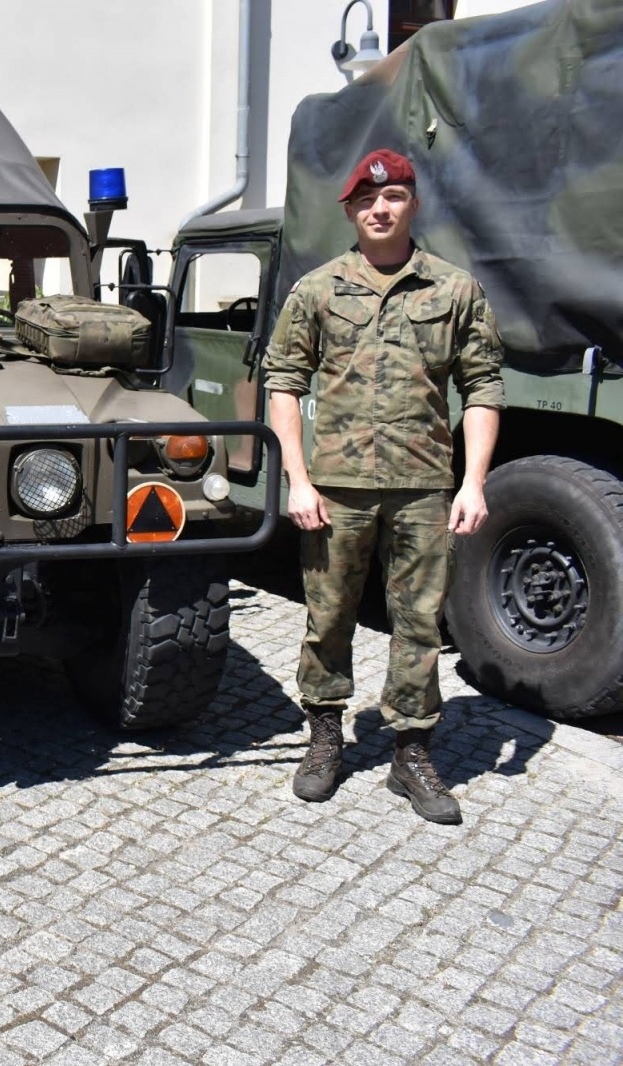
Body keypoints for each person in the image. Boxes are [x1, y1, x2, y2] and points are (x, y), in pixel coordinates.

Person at [262, 149, 504, 825]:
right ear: (350, 210)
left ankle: (411, 750)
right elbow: (283, 380)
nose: (380, 208)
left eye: (393, 196)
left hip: (423, 484)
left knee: (420, 620)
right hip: (335, 487)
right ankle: (325, 737)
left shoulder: (454, 291)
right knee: (328, 614)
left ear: (411, 204)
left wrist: (474, 482)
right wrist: (298, 478)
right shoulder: (318, 290)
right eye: (367, 200)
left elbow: (482, 384)